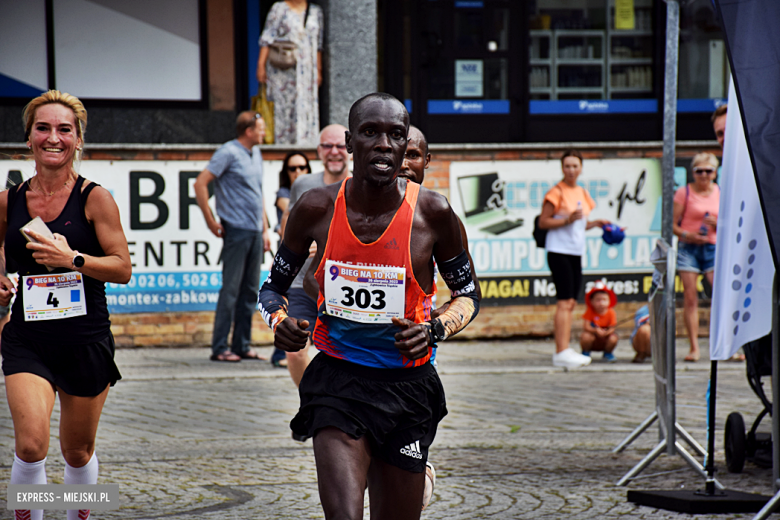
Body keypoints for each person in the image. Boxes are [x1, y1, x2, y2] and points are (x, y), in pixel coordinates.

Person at [258, 93, 480, 520]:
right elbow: (271, 289)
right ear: (348, 142)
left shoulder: (433, 214)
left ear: (405, 146)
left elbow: (468, 295)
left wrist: (434, 329)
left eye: (395, 135)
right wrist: (280, 320)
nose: (383, 144)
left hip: (408, 388)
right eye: (370, 132)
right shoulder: (316, 207)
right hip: (338, 382)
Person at [2, 90, 132, 520]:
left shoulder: (96, 199)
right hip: (28, 339)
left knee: (76, 452)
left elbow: (121, 267)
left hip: (85, 341)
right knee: (30, 446)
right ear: (28, 139)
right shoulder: (9, 202)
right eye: (43, 128)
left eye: (64, 129)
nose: (53, 137)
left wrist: (71, 259)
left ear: (78, 140)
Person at [194, 112, 271, 362]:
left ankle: (241, 345)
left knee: (250, 290)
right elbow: (200, 183)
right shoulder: (228, 152)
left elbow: (257, 193)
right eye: (260, 128)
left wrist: (265, 228)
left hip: (255, 231)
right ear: (248, 131)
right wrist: (210, 220)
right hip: (236, 230)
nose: (264, 132)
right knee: (231, 290)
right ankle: (219, 348)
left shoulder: (256, 153)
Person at [279, 124, 352, 384]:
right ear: (319, 151)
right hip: (302, 282)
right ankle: (310, 407)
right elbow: (287, 226)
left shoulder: (362, 186)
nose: (334, 152)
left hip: (345, 285)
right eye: (327, 146)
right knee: (296, 352)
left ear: (351, 148)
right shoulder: (303, 184)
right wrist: (296, 243)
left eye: (340, 146)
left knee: (344, 356)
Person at [539, 149, 610, 369]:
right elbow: (544, 222)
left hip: (576, 251)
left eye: (575, 166)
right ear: (562, 168)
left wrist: (595, 223)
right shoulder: (556, 192)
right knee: (564, 301)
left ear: (581, 168)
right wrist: (567, 219)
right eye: (567, 166)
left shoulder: (581, 191)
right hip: (559, 251)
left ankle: (566, 348)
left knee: (571, 302)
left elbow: (580, 224)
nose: (571, 170)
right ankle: (560, 351)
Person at [673, 152, 720, 362]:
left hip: (713, 246)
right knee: (690, 298)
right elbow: (672, 224)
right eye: (699, 171)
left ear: (715, 172)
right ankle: (694, 347)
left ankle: (719, 345)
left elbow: (732, 223)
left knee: (719, 297)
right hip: (688, 248)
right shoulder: (684, 193)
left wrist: (717, 225)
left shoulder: (721, 192)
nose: (703, 175)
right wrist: (688, 234)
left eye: (708, 170)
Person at [257, 0, 323, 145]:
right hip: (282, 69)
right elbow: (267, 38)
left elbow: (318, 44)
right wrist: (260, 65)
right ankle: (282, 145)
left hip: (306, 72)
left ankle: (306, 145)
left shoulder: (315, 11)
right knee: (283, 107)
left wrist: (318, 70)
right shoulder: (279, 8)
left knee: (305, 106)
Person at [270, 151, 312, 367]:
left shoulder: (313, 191)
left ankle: (282, 353)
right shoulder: (285, 193)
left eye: (302, 167)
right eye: (293, 168)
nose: (298, 172)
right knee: (285, 307)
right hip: (290, 260)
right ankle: (280, 354)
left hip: (308, 266)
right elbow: (289, 211)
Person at [579, 282, 619, 362]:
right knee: (585, 336)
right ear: (591, 301)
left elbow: (612, 327)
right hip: (593, 337)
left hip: (605, 337)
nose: (601, 303)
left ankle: (608, 353)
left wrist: (606, 332)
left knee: (613, 338)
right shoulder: (590, 311)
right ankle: (586, 352)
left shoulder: (611, 312)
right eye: (598, 300)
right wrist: (596, 330)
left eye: (604, 300)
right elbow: (586, 326)